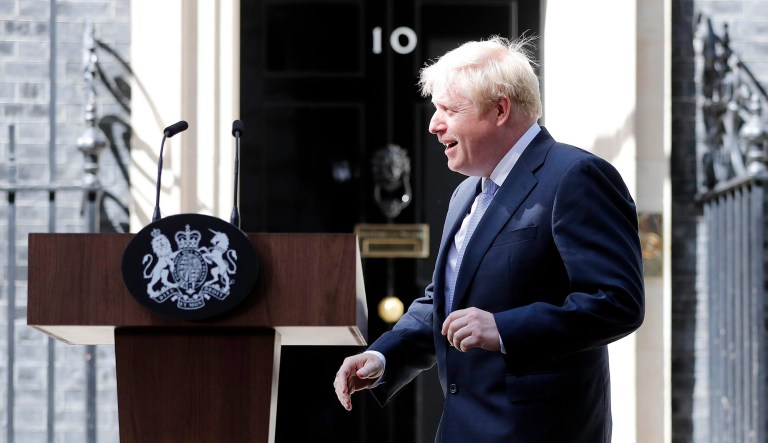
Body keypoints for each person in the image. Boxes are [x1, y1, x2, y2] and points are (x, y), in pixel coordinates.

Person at [333, 36, 645, 442]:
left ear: (500, 109)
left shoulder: (575, 176)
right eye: (435, 109)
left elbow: (617, 301)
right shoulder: (467, 192)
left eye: (449, 109)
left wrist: (505, 329)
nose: (433, 123)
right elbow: (445, 300)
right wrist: (385, 354)